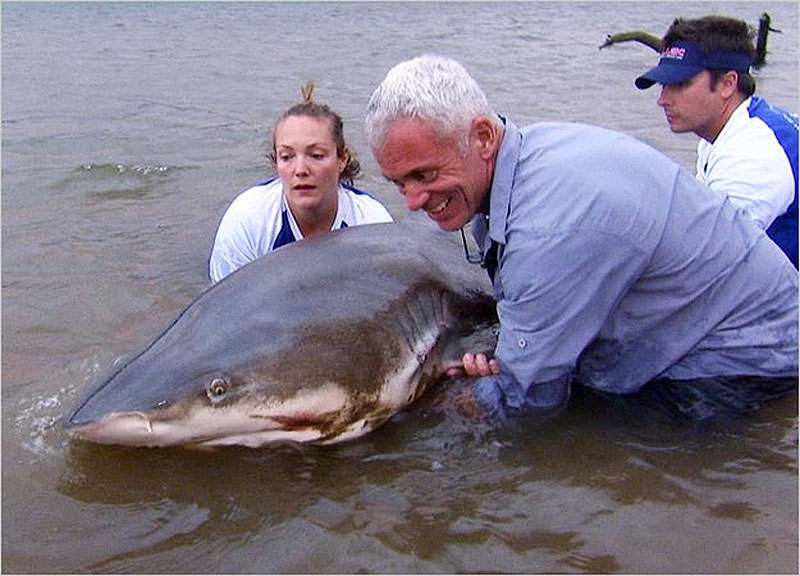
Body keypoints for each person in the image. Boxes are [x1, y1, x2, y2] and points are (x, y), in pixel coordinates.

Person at [365, 54, 798, 421]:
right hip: (710, 319)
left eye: (425, 174)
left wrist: (436, 405)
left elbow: (529, 399)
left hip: (745, 362)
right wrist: (517, 349)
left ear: (481, 137)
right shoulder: (528, 157)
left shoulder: (549, 227)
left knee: (587, 439)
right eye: (398, 183)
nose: (413, 201)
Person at [635, 15, 798, 267]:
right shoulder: (728, 132)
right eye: (663, 85)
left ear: (727, 84)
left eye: (679, 84)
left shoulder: (752, 155)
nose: (663, 99)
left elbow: (705, 263)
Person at [209, 83, 393, 282]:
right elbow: (225, 307)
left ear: (342, 159)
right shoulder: (248, 219)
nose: (300, 170)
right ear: (275, 161)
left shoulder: (373, 224)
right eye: (287, 157)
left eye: (316, 155)